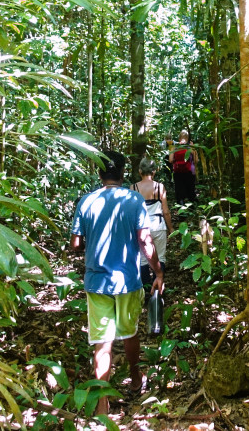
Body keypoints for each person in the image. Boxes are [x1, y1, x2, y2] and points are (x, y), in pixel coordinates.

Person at [70, 150, 164, 416]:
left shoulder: (86, 202)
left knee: (103, 342)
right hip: (128, 280)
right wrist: (158, 272)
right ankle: (135, 379)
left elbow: (76, 243)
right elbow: (145, 241)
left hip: (97, 281)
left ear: (99, 173)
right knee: (130, 331)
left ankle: (102, 404)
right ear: (123, 174)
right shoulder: (133, 199)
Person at [130, 157, 173, 287]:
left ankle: (146, 287)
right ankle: (158, 290)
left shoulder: (134, 188)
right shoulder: (160, 187)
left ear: (140, 171)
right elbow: (165, 211)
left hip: (141, 227)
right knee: (160, 257)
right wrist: (171, 229)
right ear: (154, 172)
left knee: (143, 259)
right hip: (158, 225)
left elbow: (132, 211)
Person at [168, 130, 198, 205]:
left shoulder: (174, 147)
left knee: (179, 191)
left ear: (179, 138)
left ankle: (181, 211)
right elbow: (196, 160)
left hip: (177, 172)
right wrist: (193, 148)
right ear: (188, 138)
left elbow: (170, 160)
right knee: (190, 190)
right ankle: (192, 208)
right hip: (189, 172)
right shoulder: (190, 148)